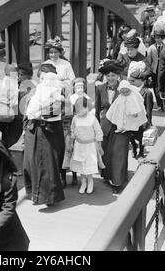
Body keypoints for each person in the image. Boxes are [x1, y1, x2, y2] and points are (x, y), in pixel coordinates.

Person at [23, 63, 66, 205]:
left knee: (48, 165)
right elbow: (27, 113)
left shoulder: (58, 93)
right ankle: (35, 194)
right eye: (41, 78)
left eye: (46, 79)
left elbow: (60, 111)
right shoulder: (33, 93)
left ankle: (49, 197)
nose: (44, 82)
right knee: (32, 163)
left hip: (50, 131)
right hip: (33, 130)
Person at [43, 36, 75, 186]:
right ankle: (53, 173)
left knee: (64, 140)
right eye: (50, 52)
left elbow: (72, 82)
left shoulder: (66, 65)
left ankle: (64, 173)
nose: (53, 55)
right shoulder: (45, 65)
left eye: (55, 52)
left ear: (60, 52)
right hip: (50, 104)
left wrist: (60, 84)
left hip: (64, 104)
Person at [95, 60, 129, 194]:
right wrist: (96, 128)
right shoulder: (99, 88)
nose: (110, 78)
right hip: (105, 126)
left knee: (118, 154)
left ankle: (118, 182)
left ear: (118, 76)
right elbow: (97, 110)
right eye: (108, 76)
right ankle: (108, 176)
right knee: (106, 154)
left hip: (121, 126)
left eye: (113, 76)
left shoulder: (125, 89)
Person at [69, 97, 104, 194]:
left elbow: (99, 133)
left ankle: (90, 182)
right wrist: (71, 143)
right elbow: (73, 131)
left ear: (87, 107)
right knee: (80, 166)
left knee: (89, 165)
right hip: (79, 145)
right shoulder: (75, 119)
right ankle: (83, 183)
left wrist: (99, 146)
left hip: (90, 146)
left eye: (82, 108)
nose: (80, 111)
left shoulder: (92, 119)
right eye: (77, 110)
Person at [128, 71, 154, 158]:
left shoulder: (147, 93)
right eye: (130, 81)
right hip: (131, 118)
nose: (131, 83)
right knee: (130, 135)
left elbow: (148, 109)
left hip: (141, 120)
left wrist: (148, 122)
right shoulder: (129, 91)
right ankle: (134, 147)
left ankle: (141, 151)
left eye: (133, 81)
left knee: (141, 137)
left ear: (141, 80)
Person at [147, 29, 165, 110]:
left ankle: (164, 103)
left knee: (163, 86)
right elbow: (148, 60)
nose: (157, 39)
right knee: (156, 87)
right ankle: (160, 104)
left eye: (159, 38)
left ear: (162, 38)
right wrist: (149, 71)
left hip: (163, 69)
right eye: (156, 38)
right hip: (154, 69)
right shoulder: (151, 47)